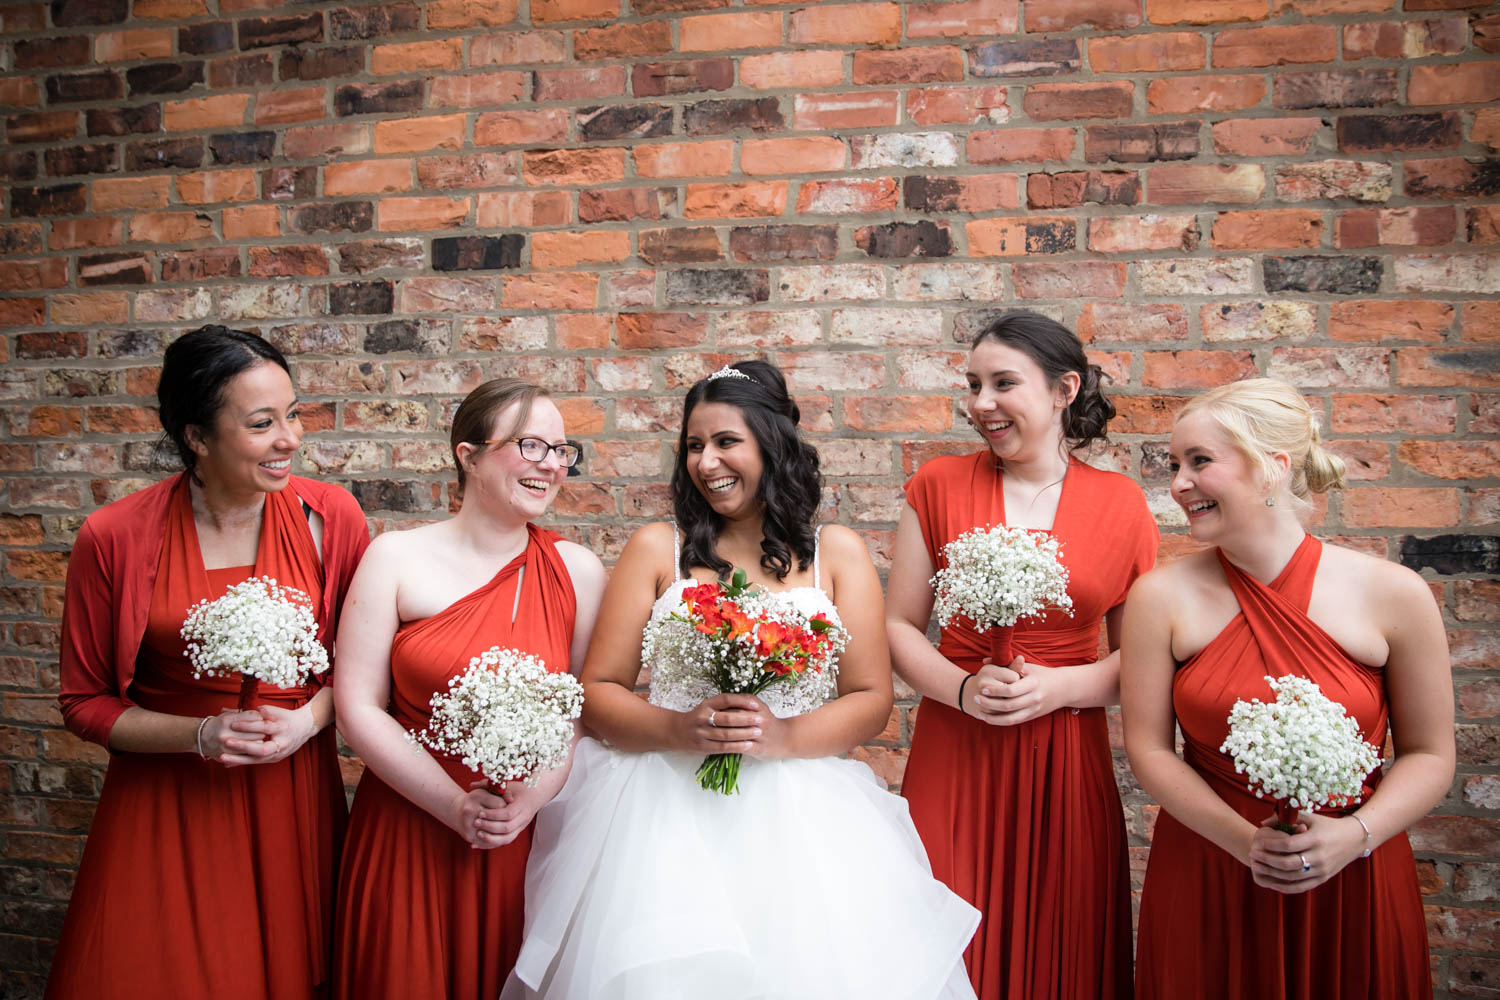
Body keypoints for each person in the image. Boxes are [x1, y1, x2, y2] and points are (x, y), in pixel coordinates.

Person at [504, 360, 978, 1000]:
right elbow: (601, 691)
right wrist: (677, 727)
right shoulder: (657, 549)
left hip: (803, 820)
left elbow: (871, 700)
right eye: (694, 446)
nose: (706, 462)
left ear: (772, 443)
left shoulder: (834, 554)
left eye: (727, 442)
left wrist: (780, 736)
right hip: (661, 819)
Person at [48, 325, 370, 999]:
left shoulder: (330, 519)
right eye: (262, 423)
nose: (290, 439)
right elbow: (85, 704)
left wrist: (306, 722)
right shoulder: (112, 537)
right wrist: (199, 734)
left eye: (292, 414)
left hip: (289, 802)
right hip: (162, 805)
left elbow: (363, 671)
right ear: (196, 437)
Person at [1122, 377, 1452, 998]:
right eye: (1175, 464)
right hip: (1210, 868)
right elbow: (1149, 750)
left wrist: (1354, 837)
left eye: (1200, 462)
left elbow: (1431, 755)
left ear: (1272, 469)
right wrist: (1247, 843)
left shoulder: (1393, 593)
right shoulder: (1159, 597)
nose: (1178, 484)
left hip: (1353, 868)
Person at [885, 311, 1157, 998]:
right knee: (944, 942)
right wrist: (962, 690)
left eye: (1004, 383)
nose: (982, 404)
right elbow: (897, 627)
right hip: (957, 748)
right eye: (974, 385)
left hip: (1065, 759)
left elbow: (1147, 660)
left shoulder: (1122, 505)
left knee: (1059, 947)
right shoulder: (938, 485)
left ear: (1066, 389)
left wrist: (1062, 689)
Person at [331, 378, 604, 999]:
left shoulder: (579, 573)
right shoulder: (395, 557)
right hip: (407, 824)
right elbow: (357, 706)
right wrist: (452, 806)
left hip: (519, 836)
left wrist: (526, 804)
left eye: (563, 451)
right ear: (468, 454)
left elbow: (578, 717)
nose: (552, 466)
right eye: (532, 446)